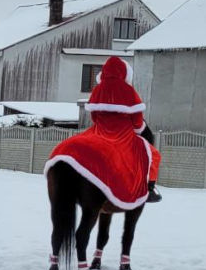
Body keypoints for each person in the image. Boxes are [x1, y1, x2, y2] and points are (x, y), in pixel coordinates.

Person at [46, 56, 163, 209]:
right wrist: (140, 129)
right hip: (122, 134)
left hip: (99, 130)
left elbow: (94, 116)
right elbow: (137, 121)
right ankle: (149, 188)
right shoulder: (128, 91)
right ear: (125, 74)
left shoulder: (97, 90)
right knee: (153, 154)